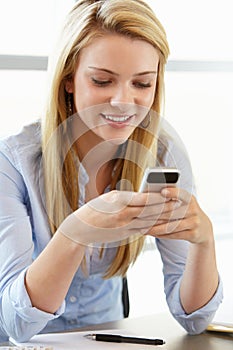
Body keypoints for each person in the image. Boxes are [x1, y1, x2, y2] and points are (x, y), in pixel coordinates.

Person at [0, 0, 223, 343]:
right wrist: (74, 233)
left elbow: (194, 319)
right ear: (69, 79)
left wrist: (204, 241)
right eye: (103, 81)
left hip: (109, 340)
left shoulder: (163, 153)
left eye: (142, 84)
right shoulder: (13, 162)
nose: (123, 101)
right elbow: (17, 325)